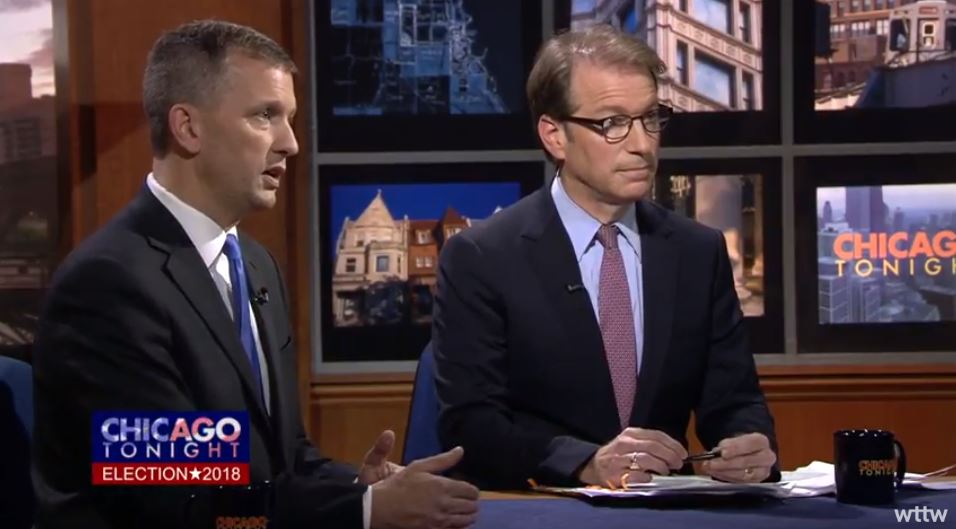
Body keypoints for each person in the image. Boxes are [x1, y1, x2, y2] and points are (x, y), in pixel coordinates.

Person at [32, 20, 478, 529]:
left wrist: (358, 484)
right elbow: (173, 503)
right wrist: (365, 512)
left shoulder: (257, 264)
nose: (290, 142)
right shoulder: (107, 287)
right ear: (188, 127)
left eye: (288, 117)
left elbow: (284, 457)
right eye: (265, 115)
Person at [433, 25, 779, 490]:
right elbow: (471, 424)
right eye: (612, 123)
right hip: (544, 510)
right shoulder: (482, 257)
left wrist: (747, 444)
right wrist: (586, 462)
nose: (642, 144)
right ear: (555, 135)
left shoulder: (698, 252)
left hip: (668, 517)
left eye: (651, 118)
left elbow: (735, 401)